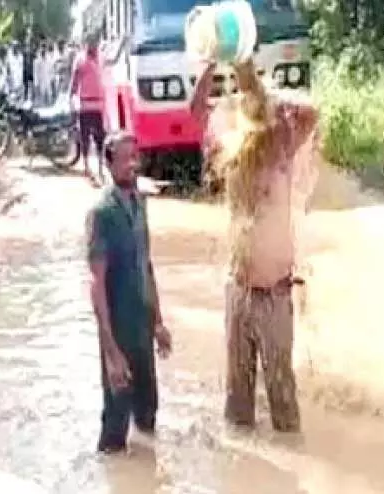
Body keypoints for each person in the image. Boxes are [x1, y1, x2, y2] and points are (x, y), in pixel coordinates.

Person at [189, 57, 318, 432]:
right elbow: (197, 110)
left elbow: (311, 111)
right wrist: (211, 65)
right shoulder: (232, 151)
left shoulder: (282, 148)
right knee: (237, 400)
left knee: (283, 399)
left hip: (275, 293)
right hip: (239, 289)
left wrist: (261, 89)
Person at [86, 130, 172, 453]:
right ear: (108, 165)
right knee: (115, 428)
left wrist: (159, 322)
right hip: (118, 331)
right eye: (124, 160)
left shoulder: (139, 203)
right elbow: (96, 285)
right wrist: (110, 352)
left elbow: (146, 266)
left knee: (148, 415)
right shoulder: (101, 214)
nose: (132, 165)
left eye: (134, 157)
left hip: (143, 328)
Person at [71, 37, 106, 183]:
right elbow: (74, 81)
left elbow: (113, 60)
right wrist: (72, 99)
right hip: (85, 105)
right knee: (85, 138)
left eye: (95, 44)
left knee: (100, 139)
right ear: (87, 45)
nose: (94, 47)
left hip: (98, 105)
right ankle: (86, 167)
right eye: (92, 44)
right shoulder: (80, 60)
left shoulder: (100, 58)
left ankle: (100, 169)